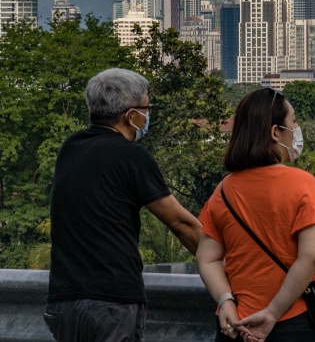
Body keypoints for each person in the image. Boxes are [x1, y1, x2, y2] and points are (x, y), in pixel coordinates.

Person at [45, 68, 203, 342]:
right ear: (130, 116)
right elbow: (180, 223)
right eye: (146, 108)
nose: (147, 115)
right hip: (111, 302)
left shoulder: (71, 147)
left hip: (64, 303)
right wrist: (223, 268)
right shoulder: (131, 156)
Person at [197, 88, 315, 342]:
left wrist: (226, 302)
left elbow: (207, 259)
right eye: (293, 122)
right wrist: (271, 314)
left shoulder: (224, 190)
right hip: (294, 322)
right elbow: (310, 257)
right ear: (275, 132)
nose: (296, 129)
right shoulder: (303, 184)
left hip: (236, 326)